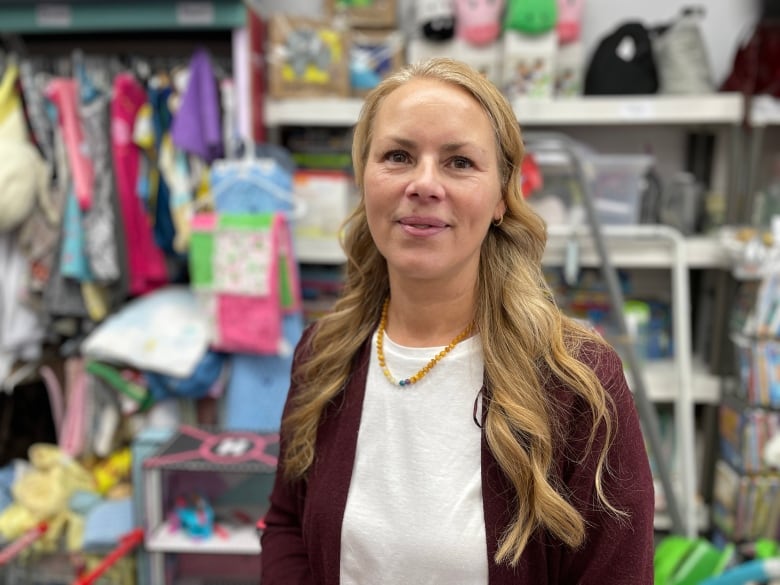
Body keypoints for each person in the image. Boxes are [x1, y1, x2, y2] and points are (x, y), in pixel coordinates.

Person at [260, 57, 655, 584]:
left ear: (501, 196)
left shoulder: (578, 385)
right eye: (398, 156)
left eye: (459, 162)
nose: (424, 184)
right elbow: (286, 525)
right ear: (363, 180)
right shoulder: (323, 355)